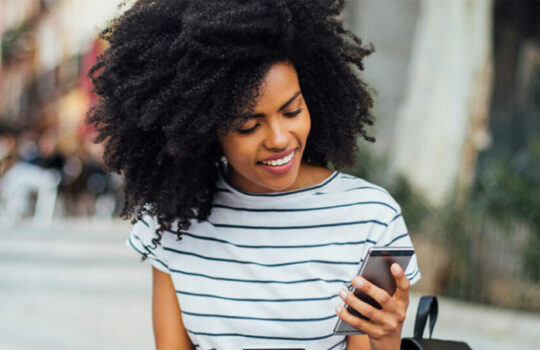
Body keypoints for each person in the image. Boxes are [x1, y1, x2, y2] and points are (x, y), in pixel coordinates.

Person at [87, 0, 421, 349]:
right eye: (248, 126)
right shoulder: (173, 218)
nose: (279, 140)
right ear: (204, 128)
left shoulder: (371, 217)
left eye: (292, 111)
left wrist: (387, 337)